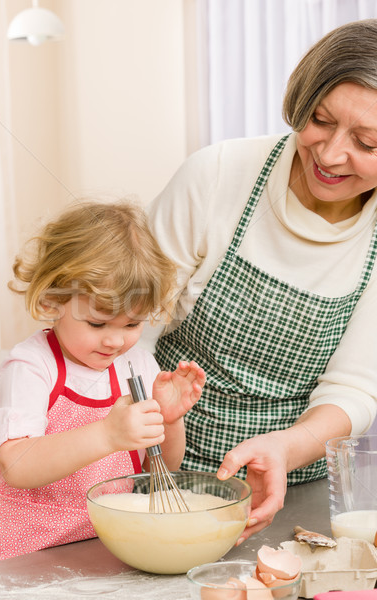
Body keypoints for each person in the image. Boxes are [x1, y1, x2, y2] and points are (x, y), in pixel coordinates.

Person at [143, 19, 377, 542]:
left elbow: (356, 388)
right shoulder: (219, 174)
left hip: (291, 486)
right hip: (153, 472)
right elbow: (127, 326)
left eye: (367, 143)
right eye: (319, 119)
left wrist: (284, 449)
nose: (331, 153)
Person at [0, 200, 206, 565]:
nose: (115, 341)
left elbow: (161, 467)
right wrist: (107, 435)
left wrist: (169, 420)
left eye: (132, 325)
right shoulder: (32, 366)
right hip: (25, 554)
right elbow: (17, 466)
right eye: (98, 324)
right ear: (54, 300)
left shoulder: (139, 365)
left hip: (105, 545)